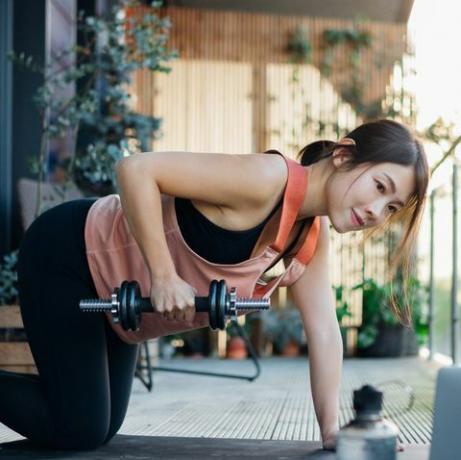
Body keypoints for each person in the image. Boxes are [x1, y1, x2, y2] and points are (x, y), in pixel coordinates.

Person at [0, 118, 428, 452]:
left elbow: (325, 332)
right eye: (379, 186)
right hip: (69, 255)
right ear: (343, 155)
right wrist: (164, 275)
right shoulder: (265, 178)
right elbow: (136, 169)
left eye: (390, 207)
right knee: (79, 429)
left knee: (102, 426)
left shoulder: (308, 237)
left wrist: (334, 431)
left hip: (116, 298)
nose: (376, 211)